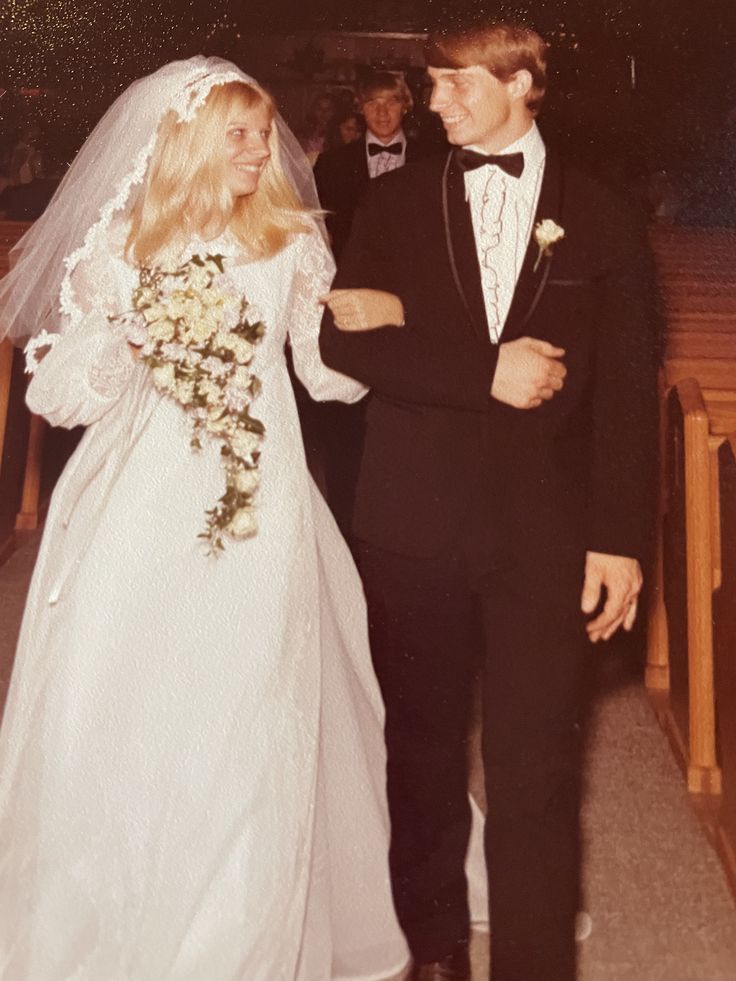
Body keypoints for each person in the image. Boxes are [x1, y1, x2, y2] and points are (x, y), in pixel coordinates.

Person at [0, 57, 408, 979]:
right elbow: (58, 393)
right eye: (238, 131)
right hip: (138, 495)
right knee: (126, 688)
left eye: (263, 133)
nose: (260, 148)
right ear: (186, 139)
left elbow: (322, 374)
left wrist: (376, 330)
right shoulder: (122, 248)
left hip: (261, 498)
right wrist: (127, 339)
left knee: (249, 699)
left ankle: (236, 937)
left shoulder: (292, 241)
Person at [320, 18, 659, 981]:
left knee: (537, 772)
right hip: (412, 527)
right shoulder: (393, 204)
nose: (435, 103)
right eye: (429, 85)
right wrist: (484, 372)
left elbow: (630, 394)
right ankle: (432, 953)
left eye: (455, 85)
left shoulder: (600, 213)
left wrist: (620, 540)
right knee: (421, 759)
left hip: (546, 536)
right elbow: (342, 340)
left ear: (521, 83)